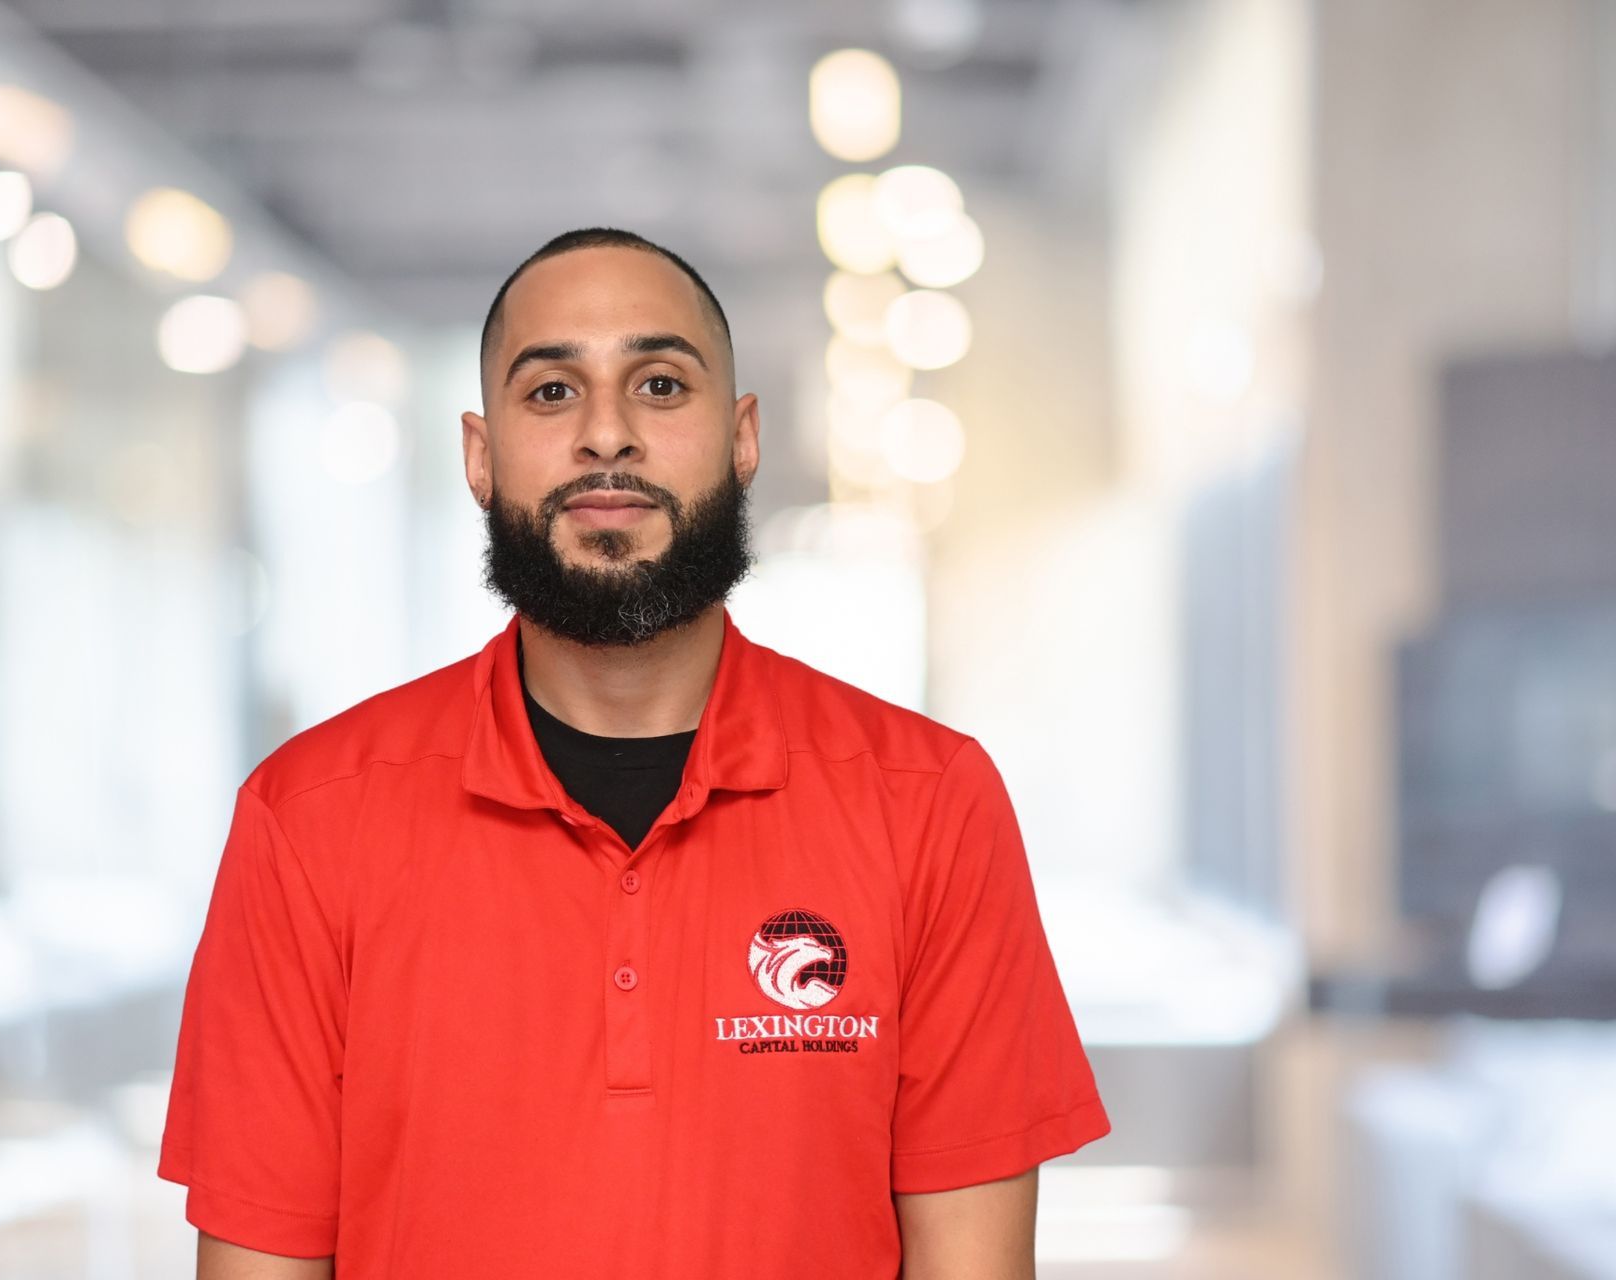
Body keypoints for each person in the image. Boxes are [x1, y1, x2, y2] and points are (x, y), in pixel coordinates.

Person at [157, 227, 1111, 1279]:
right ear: (480, 456)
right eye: (551, 392)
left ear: (742, 439)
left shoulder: (926, 803)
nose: (606, 433)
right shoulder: (309, 820)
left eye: (660, 385)